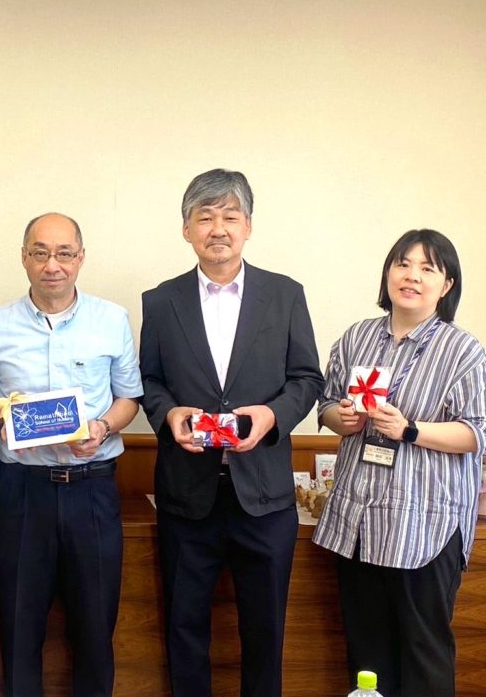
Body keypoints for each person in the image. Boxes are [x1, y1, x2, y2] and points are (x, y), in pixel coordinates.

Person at [139, 169, 323, 697]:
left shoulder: (285, 295)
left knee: (265, 632)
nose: (217, 228)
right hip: (186, 496)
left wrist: (272, 417)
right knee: (184, 629)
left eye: (229, 216)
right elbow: (148, 380)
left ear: (248, 227)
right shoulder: (160, 301)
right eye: (205, 217)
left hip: (264, 496)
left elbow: (307, 379)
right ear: (186, 229)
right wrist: (168, 414)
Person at [0, 212, 142, 697]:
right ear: (24, 258)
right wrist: (10, 413)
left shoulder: (111, 319)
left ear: (80, 258)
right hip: (23, 495)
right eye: (41, 253)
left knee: (96, 628)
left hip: (93, 491)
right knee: (19, 628)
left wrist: (102, 427)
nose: (53, 265)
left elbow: (129, 398)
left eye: (64, 253)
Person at [313, 229, 485, 697]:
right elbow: (326, 405)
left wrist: (410, 430)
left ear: (447, 285)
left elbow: (476, 433)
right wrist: (343, 418)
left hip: (424, 526)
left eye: (428, 268)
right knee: (367, 656)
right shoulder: (358, 337)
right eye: (403, 264)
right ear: (388, 272)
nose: (412, 276)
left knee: (423, 652)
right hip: (360, 522)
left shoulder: (462, 350)